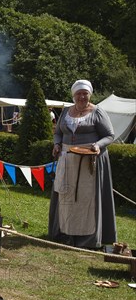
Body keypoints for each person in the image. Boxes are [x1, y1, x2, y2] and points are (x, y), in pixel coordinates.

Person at [48, 79, 116, 249]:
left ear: (90, 94)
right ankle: (65, 233)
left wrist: (97, 146)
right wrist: (56, 144)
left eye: (85, 93)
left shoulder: (97, 112)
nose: (82, 96)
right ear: (73, 95)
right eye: (79, 93)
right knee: (67, 196)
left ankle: (87, 238)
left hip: (89, 162)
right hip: (67, 160)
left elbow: (109, 135)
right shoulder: (65, 112)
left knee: (86, 199)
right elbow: (57, 133)